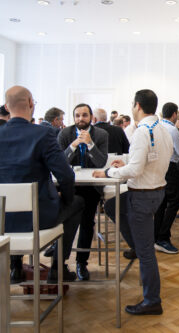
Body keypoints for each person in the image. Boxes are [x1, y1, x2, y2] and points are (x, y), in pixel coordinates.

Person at [95, 89, 173, 316]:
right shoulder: (160, 128)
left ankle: (152, 300)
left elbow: (136, 170)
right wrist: (127, 161)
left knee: (147, 251)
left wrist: (109, 173)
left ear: (137, 105)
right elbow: (151, 157)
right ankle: (137, 246)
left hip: (143, 194)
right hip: (155, 190)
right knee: (112, 206)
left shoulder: (143, 131)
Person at [0, 86, 84, 283]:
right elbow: (65, 176)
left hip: (2, 220)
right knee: (77, 202)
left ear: (6, 106)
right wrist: (65, 198)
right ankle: (57, 267)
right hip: (37, 218)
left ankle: (15, 268)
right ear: (31, 103)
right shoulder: (43, 134)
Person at [58, 103, 108, 280]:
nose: (81, 119)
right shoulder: (65, 133)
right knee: (65, 224)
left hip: (90, 187)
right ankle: (60, 263)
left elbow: (101, 162)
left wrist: (90, 144)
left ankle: (81, 263)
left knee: (87, 223)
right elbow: (59, 161)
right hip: (69, 187)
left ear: (91, 117)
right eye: (77, 115)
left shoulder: (101, 134)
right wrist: (73, 146)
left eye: (84, 115)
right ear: (74, 118)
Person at [154, 102, 179, 254]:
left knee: (161, 203)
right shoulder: (172, 129)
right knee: (174, 202)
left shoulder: (156, 127)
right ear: (175, 114)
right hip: (170, 168)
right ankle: (162, 238)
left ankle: (156, 235)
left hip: (158, 167)